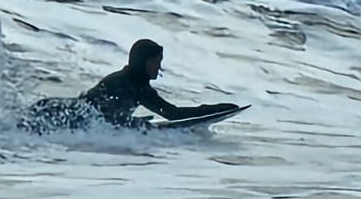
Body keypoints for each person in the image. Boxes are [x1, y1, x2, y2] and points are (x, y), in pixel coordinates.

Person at [17, 38, 236, 133]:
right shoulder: (124, 83)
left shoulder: (137, 84)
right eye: (155, 62)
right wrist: (135, 125)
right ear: (142, 62)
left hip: (64, 115)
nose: (158, 68)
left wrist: (216, 109)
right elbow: (103, 116)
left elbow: (170, 113)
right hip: (56, 113)